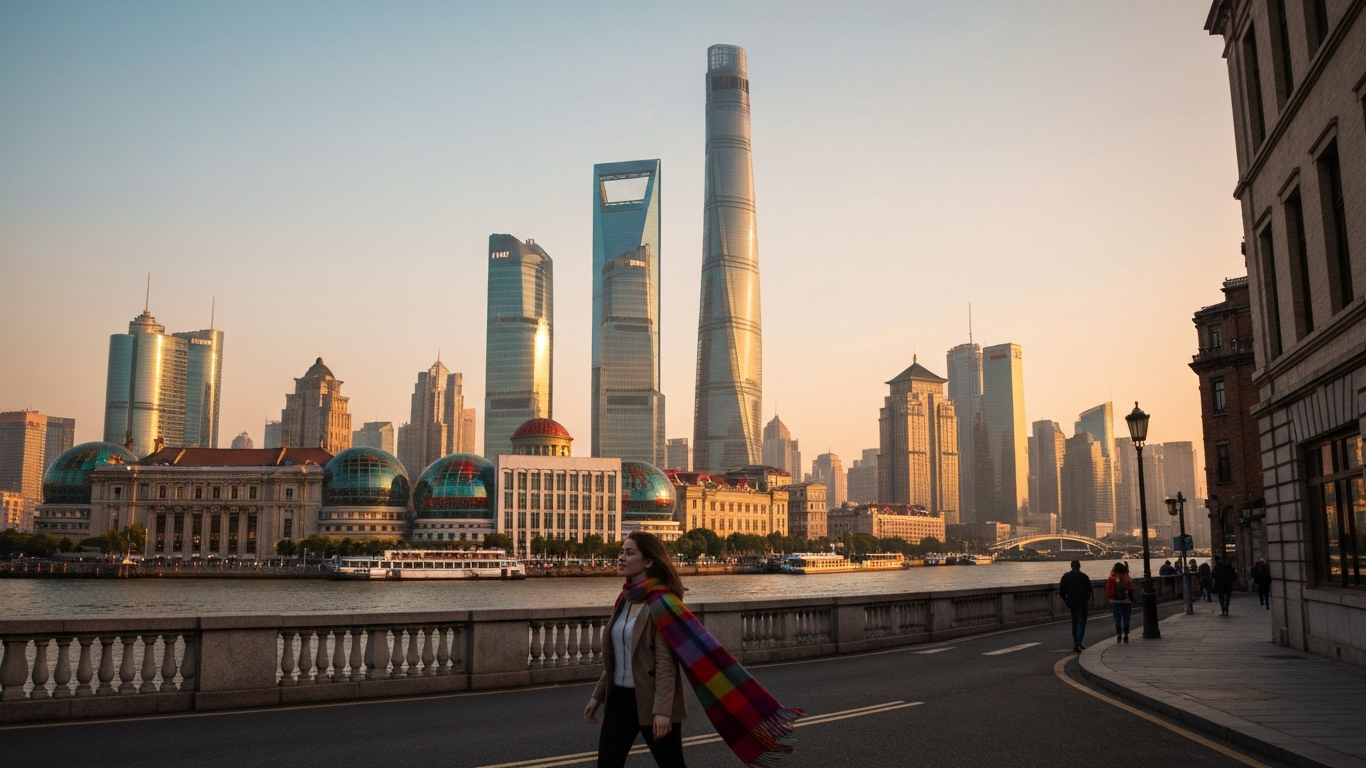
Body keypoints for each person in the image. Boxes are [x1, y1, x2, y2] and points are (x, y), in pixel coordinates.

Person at [585, 532, 802, 767]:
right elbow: (616, 656)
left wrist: (663, 712)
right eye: (621, 552)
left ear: (648, 561)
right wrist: (598, 696)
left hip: (652, 701)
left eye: (629, 553)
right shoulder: (624, 599)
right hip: (618, 700)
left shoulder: (661, 603)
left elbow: (666, 665)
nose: (621, 558)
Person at [1058, 560, 1094, 653]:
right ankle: (1079, 641)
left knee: (1074, 622)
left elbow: (1061, 592)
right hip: (1082, 603)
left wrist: (1066, 600)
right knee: (1081, 622)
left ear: (1071, 566)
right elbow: (1090, 590)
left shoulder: (1066, 577)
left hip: (1072, 603)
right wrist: (1086, 599)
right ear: (1079, 566)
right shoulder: (1084, 577)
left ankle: (1075, 641)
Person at [1105, 561, 1135, 643]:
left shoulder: (1112, 578)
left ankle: (1119, 633)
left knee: (1117, 619)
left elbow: (1108, 589)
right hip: (1126, 602)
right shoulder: (1126, 578)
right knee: (1126, 619)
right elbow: (1132, 588)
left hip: (1116, 602)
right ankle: (1126, 634)